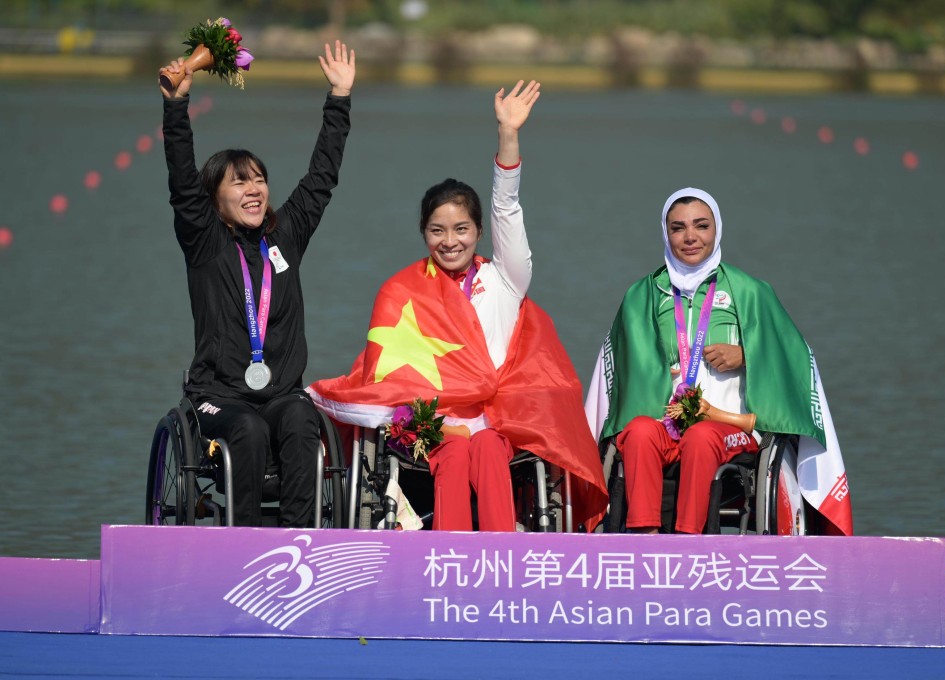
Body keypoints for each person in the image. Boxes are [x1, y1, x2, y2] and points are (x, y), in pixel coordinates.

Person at [308, 80, 607, 532]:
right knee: (453, 450)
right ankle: (451, 557)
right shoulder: (400, 290)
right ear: (423, 233)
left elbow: (507, 206)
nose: (450, 242)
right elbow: (389, 374)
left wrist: (509, 135)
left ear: (480, 233)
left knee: (485, 448)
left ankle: (501, 557)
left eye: (462, 229)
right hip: (431, 423)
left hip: (498, 419)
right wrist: (428, 421)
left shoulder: (506, 278)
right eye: (437, 231)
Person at [160, 41, 356, 527]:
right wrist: (176, 106)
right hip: (218, 397)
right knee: (245, 427)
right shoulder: (204, 241)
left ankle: (298, 539)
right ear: (215, 199)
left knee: (300, 416)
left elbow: (321, 179)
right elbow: (183, 180)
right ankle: (243, 543)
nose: (254, 190)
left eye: (259, 180)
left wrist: (340, 97)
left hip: (280, 394)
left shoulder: (285, 236)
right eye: (239, 183)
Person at [585, 187, 853, 536]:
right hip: (665, 426)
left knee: (701, 437)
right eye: (678, 228)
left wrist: (747, 356)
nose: (690, 237)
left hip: (732, 430)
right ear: (665, 234)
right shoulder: (643, 295)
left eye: (701, 226)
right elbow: (616, 365)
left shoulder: (749, 291)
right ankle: (644, 536)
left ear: (717, 229)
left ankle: (688, 538)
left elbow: (797, 357)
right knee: (637, 432)